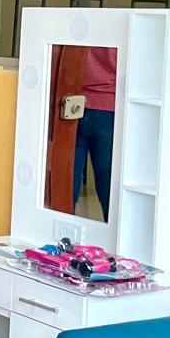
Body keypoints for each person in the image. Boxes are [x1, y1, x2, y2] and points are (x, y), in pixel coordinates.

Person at [73, 46, 116, 221]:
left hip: (71, 102)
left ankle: (62, 236)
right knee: (109, 188)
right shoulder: (121, 28)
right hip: (110, 105)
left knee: (65, 186)